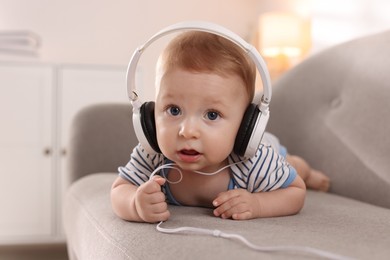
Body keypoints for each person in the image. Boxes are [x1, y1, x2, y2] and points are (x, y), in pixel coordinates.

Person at [111, 31, 330, 223]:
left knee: (292, 165)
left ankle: (307, 170)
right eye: (174, 110)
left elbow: (294, 192)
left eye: (212, 115)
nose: (187, 131)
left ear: (245, 124)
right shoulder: (153, 156)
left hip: (271, 148)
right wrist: (134, 204)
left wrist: (257, 204)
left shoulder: (254, 162)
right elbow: (120, 189)